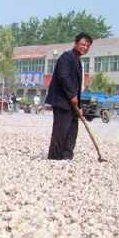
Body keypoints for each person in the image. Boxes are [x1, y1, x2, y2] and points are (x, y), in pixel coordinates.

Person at [45, 32, 93, 160]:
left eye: (88, 46)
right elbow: (63, 77)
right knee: (60, 132)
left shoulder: (77, 61)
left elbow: (77, 86)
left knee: (72, 131)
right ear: (76, 43)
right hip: (62, 102)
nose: (85, 47)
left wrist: (79, 105)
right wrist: (72, 95)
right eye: (83, 44)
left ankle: (67, 156)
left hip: (72, 104)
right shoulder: (66, 57)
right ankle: (54, 158)